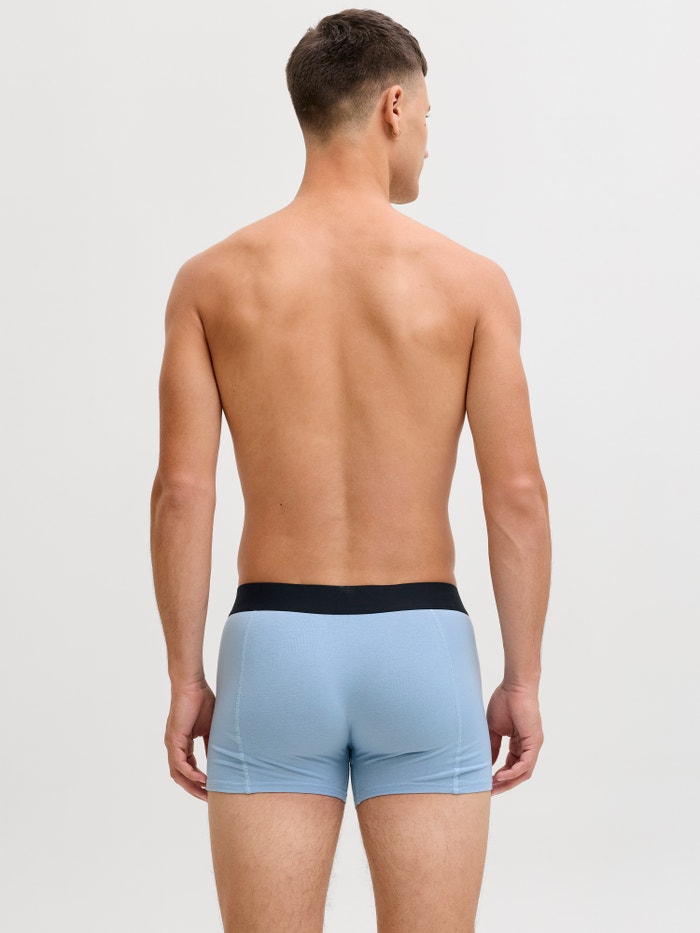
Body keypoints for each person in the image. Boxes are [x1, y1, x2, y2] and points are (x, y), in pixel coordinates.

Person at [150, 8, 551, 932]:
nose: (428, 141)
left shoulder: (211, 281)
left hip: (274, 646)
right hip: (422, 645)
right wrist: (523, 678)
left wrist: (185, 676)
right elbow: (517, 496)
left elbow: (181, 495)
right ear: (394, 107)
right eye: (429, 117)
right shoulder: (470, 282)